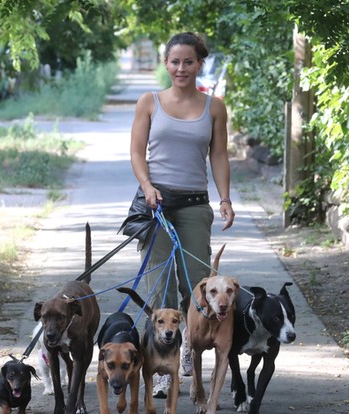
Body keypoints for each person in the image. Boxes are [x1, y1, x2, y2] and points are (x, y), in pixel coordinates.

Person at [129, 32, 235, 398]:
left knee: (198, 287)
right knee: (158, 285)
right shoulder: (149, 102)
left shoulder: (214, 107)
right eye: (175, 62)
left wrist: (225, 198)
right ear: (165, 63)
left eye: (188, 62)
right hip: (156, 204)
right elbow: (137, 153)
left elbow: (219, 155)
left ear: (199, 64)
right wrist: (147, 186)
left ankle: (190, 347)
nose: (181, 68)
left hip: (193, 204)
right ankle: (162, 363)